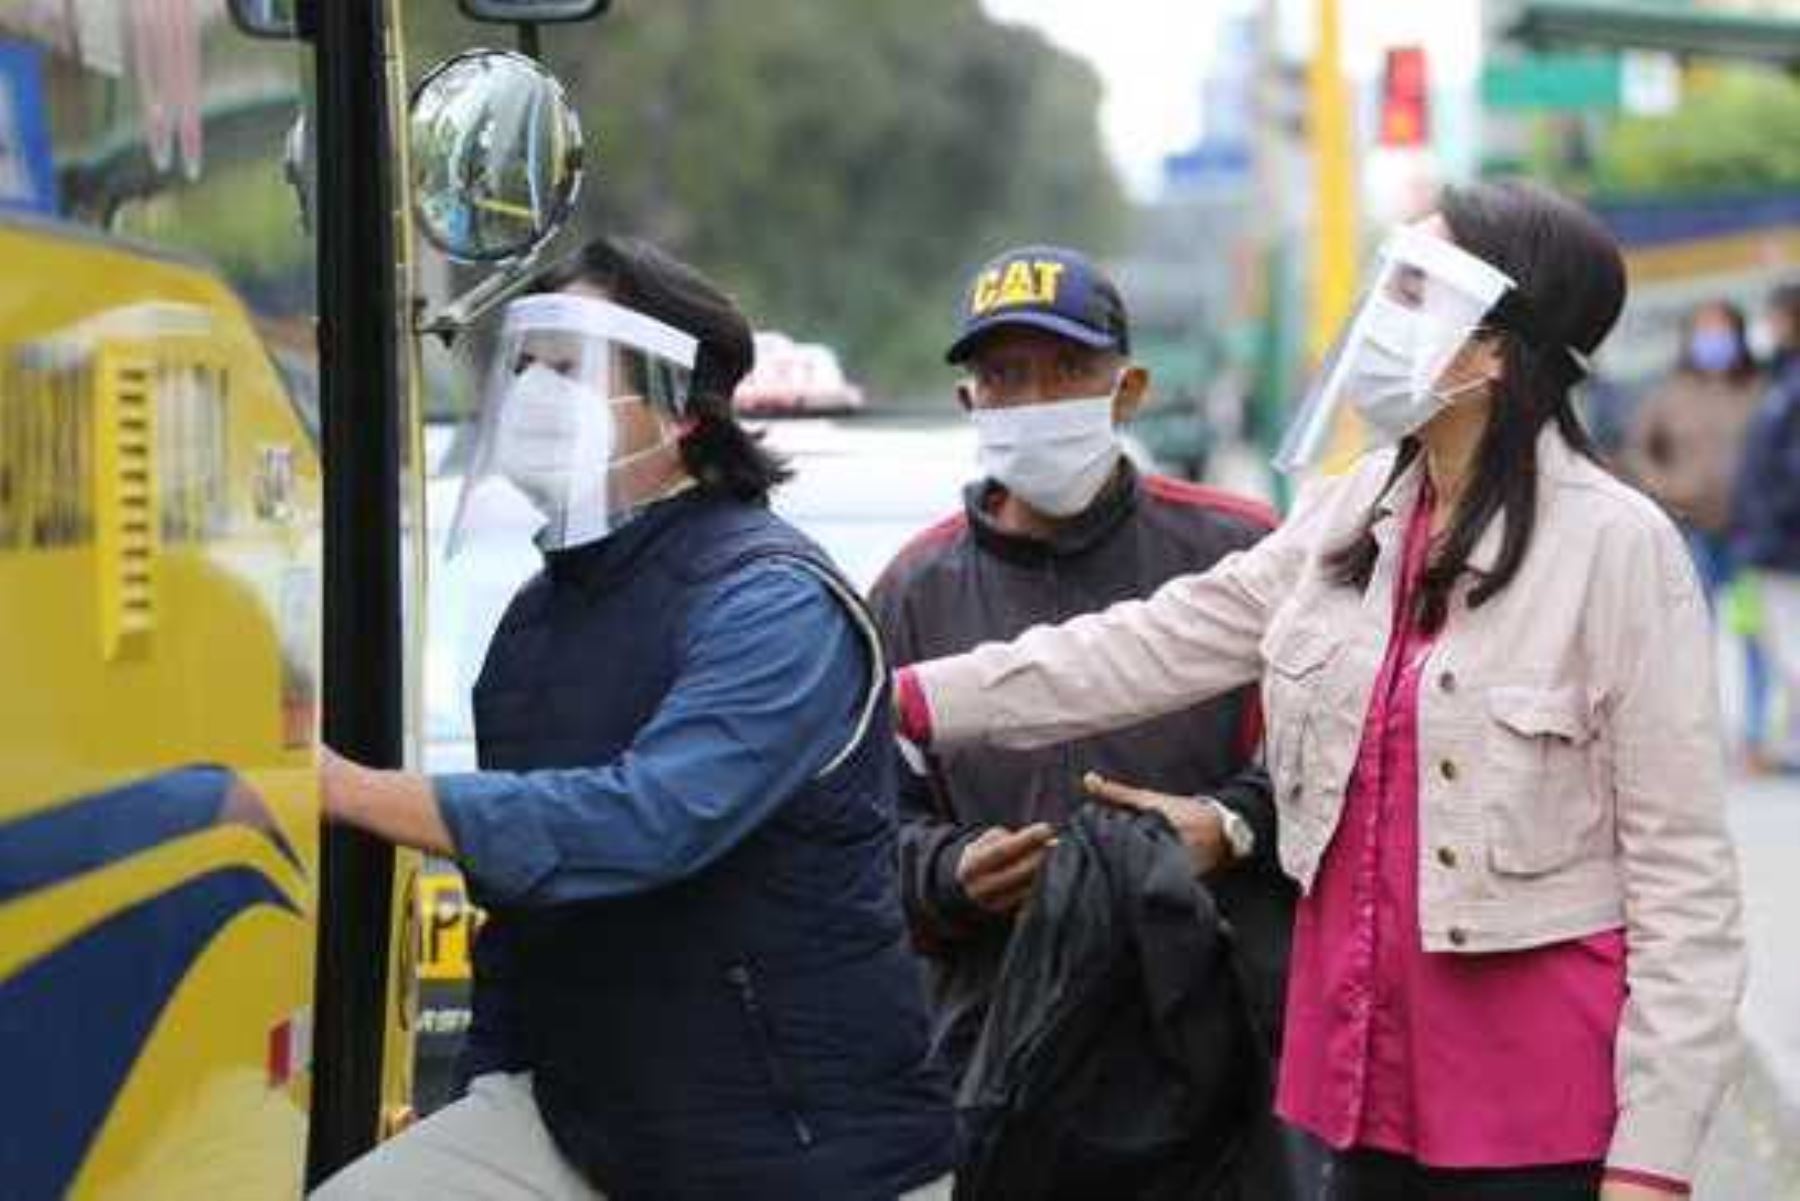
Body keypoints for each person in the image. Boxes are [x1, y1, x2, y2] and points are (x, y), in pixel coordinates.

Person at [892, 182, 1745, 1200]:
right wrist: (898, 694)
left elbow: (1684, 881)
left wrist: (1653, 1160)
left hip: (1535, 1116)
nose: (1379, 312)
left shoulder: (1615, 546)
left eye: (1415, 289)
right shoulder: (1350, 515)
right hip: (1356, 1094)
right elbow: (1152, 642)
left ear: (1492, 350)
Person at [312, 236, 956, 1201]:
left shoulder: (774, 600)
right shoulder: (538, 616)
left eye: (570, 366)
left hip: (798, 1151)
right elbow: (523, 920)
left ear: (684, 409)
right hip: (589, 1121)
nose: (534, 389)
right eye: (524, 362)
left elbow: (642, 822)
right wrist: (488, 1083)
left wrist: (349, 791)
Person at [869, 244, 1302, 1198]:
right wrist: (953, 871)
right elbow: (858, 832)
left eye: (1066, 370)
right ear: (969, 404)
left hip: (1216, 1049)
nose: (1034, 398)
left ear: (1128, 389)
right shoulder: (911, 591)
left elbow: (1328, 772)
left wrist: (1225, 827)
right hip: (1003, 1065)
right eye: (1004, 375)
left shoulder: (1236, 550)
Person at [1623, 300, 1769, 762]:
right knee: (1689, 635)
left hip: (1750, 534)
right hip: (1691, 533)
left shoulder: (1759, 389)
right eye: (1704, 331)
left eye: (1721, 330)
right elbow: (1638, 451)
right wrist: (1669, 489)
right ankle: (1697, 735)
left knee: (1756, 636)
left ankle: (1756, 735)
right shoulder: (1668, 393)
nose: (1713, 341)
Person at [1733, 281, 1800, 771]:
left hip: (1786, 541)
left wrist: (1775, 515)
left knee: (1791, 649)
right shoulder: (1780, 378)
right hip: (1771, 541)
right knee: (1780, 645)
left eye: (1775, 318)